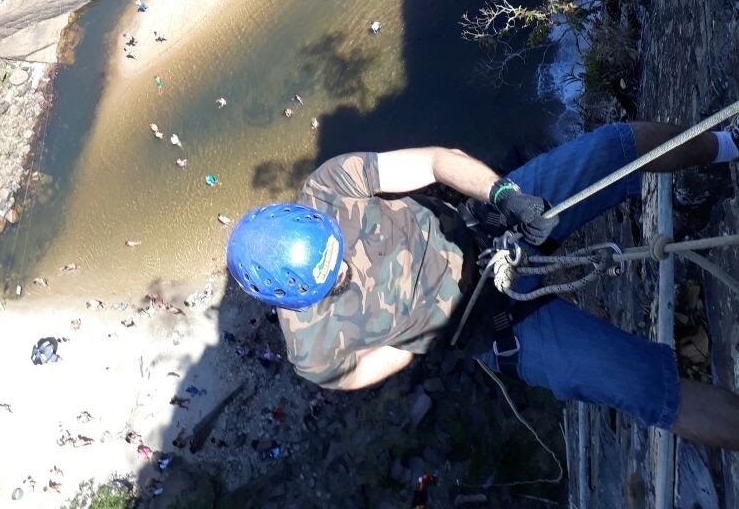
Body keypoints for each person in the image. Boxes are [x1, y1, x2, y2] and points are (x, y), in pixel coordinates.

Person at [226, 121, 739, 450]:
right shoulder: (313, 351)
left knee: (615, 148)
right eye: (332, 278)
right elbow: (373, 365)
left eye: (336, 253)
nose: (343, 269)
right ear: (294, 299)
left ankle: (725, 144)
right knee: (648, 391)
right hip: (492, 325)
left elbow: (435, 160)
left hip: (490, 227)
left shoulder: (329, 189)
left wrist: (504, 194)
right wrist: (431, 325)